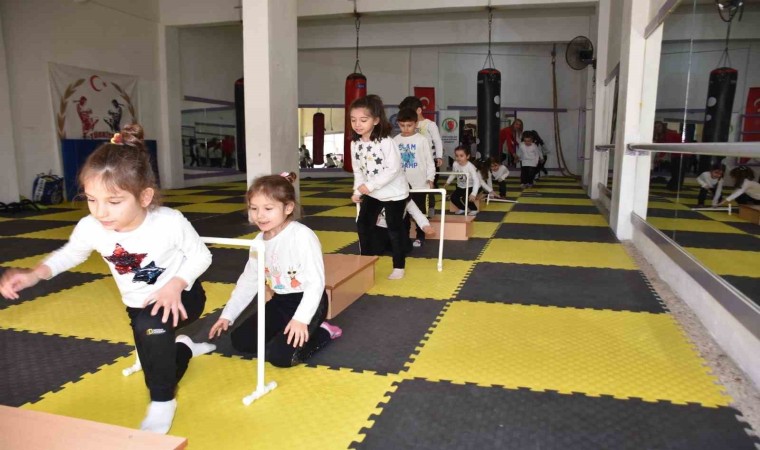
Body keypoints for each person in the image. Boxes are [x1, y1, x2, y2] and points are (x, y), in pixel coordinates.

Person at [0, 124, 214, 435]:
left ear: (145, 196)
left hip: (184, 297)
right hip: (137, 306)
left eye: (114, 202)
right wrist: (33, 274)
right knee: (158, 359)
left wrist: (175, 285)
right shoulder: (91, 227)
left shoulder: (168, 222)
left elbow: (202, 257)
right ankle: (183, 349)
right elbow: (70, 254)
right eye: (91, 199)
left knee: (152, 336)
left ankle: (163, 401)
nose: (101, 212)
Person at [208, 172, 340, 368]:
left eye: (268, 209)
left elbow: (315, 283)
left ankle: (323, 332)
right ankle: (287, 329)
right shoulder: (258, 242)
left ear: (288, 208)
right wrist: (228, 314)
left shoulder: (302, 236)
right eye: (254, 208)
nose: (259, 215)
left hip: (309, 300)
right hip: (281, 301)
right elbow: (249, 280)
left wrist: (301, 319)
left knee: (281, 358)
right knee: (241, 341)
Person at [350, 95, 410, 280]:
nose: (357, 124)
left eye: (363, 120)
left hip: (394, 193)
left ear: (375, 120)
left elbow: (393, 169)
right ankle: (366, 263)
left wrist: (369, 186)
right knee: (363, 224)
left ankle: (399, 266)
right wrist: (357, 190)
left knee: (394, 229)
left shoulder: (385, 141)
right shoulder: (355, 144)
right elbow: (358, 170)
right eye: (353, 120)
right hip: (373, 192)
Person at [393, 107, 435, 248]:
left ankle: (420, 237)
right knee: (403, 213)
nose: (406, 129)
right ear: (398, 124)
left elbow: (429, 161)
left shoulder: (422, 140)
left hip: (420, 184)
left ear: (416, 124)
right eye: (402, 125)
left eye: (409, 125)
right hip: (401, 185)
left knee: (420, 211)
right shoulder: (395, 140)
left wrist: (430, 178)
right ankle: (404, 237)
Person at [399, 96, 443, 218]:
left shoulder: (430, 124)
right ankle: (410, 210)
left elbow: (437, 141)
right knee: (411, 187)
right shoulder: (407, 126)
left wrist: (439, 156)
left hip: (429, 161)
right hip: (413, 161)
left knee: (428, 185)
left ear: (418, 110)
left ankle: (430, 206)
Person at [444, 146, 480, 216]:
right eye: (457, 156)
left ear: (467, 156)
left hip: (470, 186)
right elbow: (453, 173)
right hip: (460, 186)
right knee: (453, 198)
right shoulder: (455, 164)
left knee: (466, 198)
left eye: (461, 156)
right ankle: (462, 208)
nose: (458, 158)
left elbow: (476, 180)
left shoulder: (470, 167)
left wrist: (473, 193)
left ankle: (474, 209)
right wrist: (448, 182)